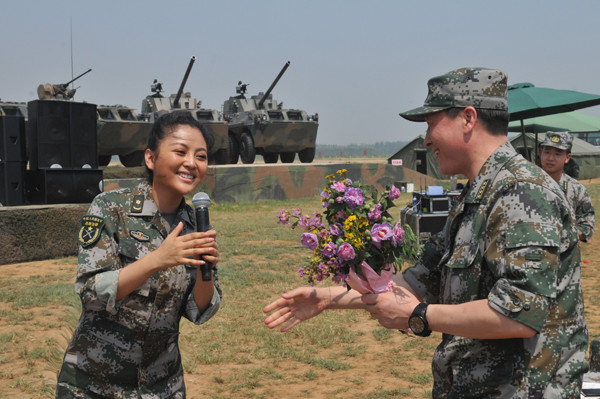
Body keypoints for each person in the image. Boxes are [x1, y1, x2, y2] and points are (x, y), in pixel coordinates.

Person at [264, 67, 588, 398]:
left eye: (432, 125)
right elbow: (418, 281)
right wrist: (326, 298)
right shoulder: (477, 195)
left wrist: (419, 315)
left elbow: (519, 314)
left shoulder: (522, 192)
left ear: (468, 118)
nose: (427, 139)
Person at [56, 111, 222, 398]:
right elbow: (92, 293)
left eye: (201, 156)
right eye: (180, 151)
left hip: (161, 386)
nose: (191, 163)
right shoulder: (110, 208)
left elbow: (198, 310)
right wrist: (157, 259)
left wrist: (205, 270)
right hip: (95, 385)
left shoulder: (196, 225)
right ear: (150, 158)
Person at [539, 131, 595, 242]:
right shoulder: (526, 184)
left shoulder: (577, 190)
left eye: (557, 154)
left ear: (567, 157)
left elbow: (586, 229)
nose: (550, 158)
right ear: (541, 153)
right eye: (547, 152)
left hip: (564, 256)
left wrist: (556, 234)